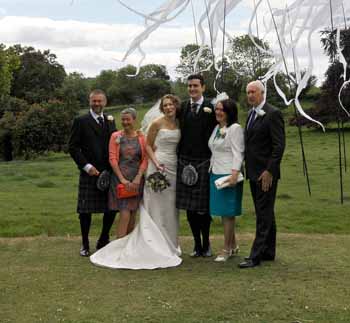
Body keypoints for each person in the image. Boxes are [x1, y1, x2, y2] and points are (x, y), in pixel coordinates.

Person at [90, 94, 182, 269]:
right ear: (162, 108)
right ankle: (149, 243)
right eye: (165, 105)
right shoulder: (156, 124)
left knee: (170, 207)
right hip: (156, 166)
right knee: (151, 206)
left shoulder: (178, 123)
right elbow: (147, 147)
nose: (168, 107)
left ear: (176, 106)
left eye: (171, 104)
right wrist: (156, 163)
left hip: (172, 167)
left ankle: (170, 244)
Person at [239, 80, 285, 269]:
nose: (250, 95)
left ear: (262, 93)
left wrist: (269, 171)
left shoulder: (273, 113)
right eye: (248, 92)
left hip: (266, 174)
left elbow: (279, 145)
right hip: (253, 172)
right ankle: (268, 251)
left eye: (253, 92)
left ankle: (255, 256)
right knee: (265, 212)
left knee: (263, 214)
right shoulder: (251, 113)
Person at [68, 89, 117, 257]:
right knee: (85, 210)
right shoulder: (81, 121)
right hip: (89, 172)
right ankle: (85, 243)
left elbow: (115, 144)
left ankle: (103, 239)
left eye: (100, 101)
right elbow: (73, 147)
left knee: (112, 208)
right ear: (90, 102)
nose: (97, 104)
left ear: (105, 102)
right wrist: (87, 166)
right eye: (94, 101)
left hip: (108, 171)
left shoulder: (110, 120)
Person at [176, 74, 217, 257]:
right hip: (184, 160)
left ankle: (207, 243)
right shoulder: (183, 107)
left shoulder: (212, 106)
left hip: (205, 160)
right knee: (190, 208)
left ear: (203, 87)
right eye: (189, 86)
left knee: (203, 208)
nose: (192, 89)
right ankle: (196, 244)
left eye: (195, 86)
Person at [208, 98, 244, 262]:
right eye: (216, 109)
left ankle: (226, 249)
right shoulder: (217, 127)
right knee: (223, 213)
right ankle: (234, 245)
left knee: (228, 214)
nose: (218, 112)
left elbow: (238, 152)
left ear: (229, 111)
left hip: (229, 174)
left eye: (221, 109)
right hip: (215, 172)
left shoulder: (235, 128)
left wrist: (235, 173)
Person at [108, 108, 148, 238]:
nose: (125, 122)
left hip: (137, 180)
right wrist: (122, 179)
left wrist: (138, 177)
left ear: (134, 120)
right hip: (120, 179)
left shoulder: (142, 137)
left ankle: (129, 245)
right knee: (124, 213)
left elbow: (145, 159)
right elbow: (112, 158)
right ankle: (119, 247)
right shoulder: (115, 136)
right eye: (123, 119)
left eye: (128, 119)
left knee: (133, 213)